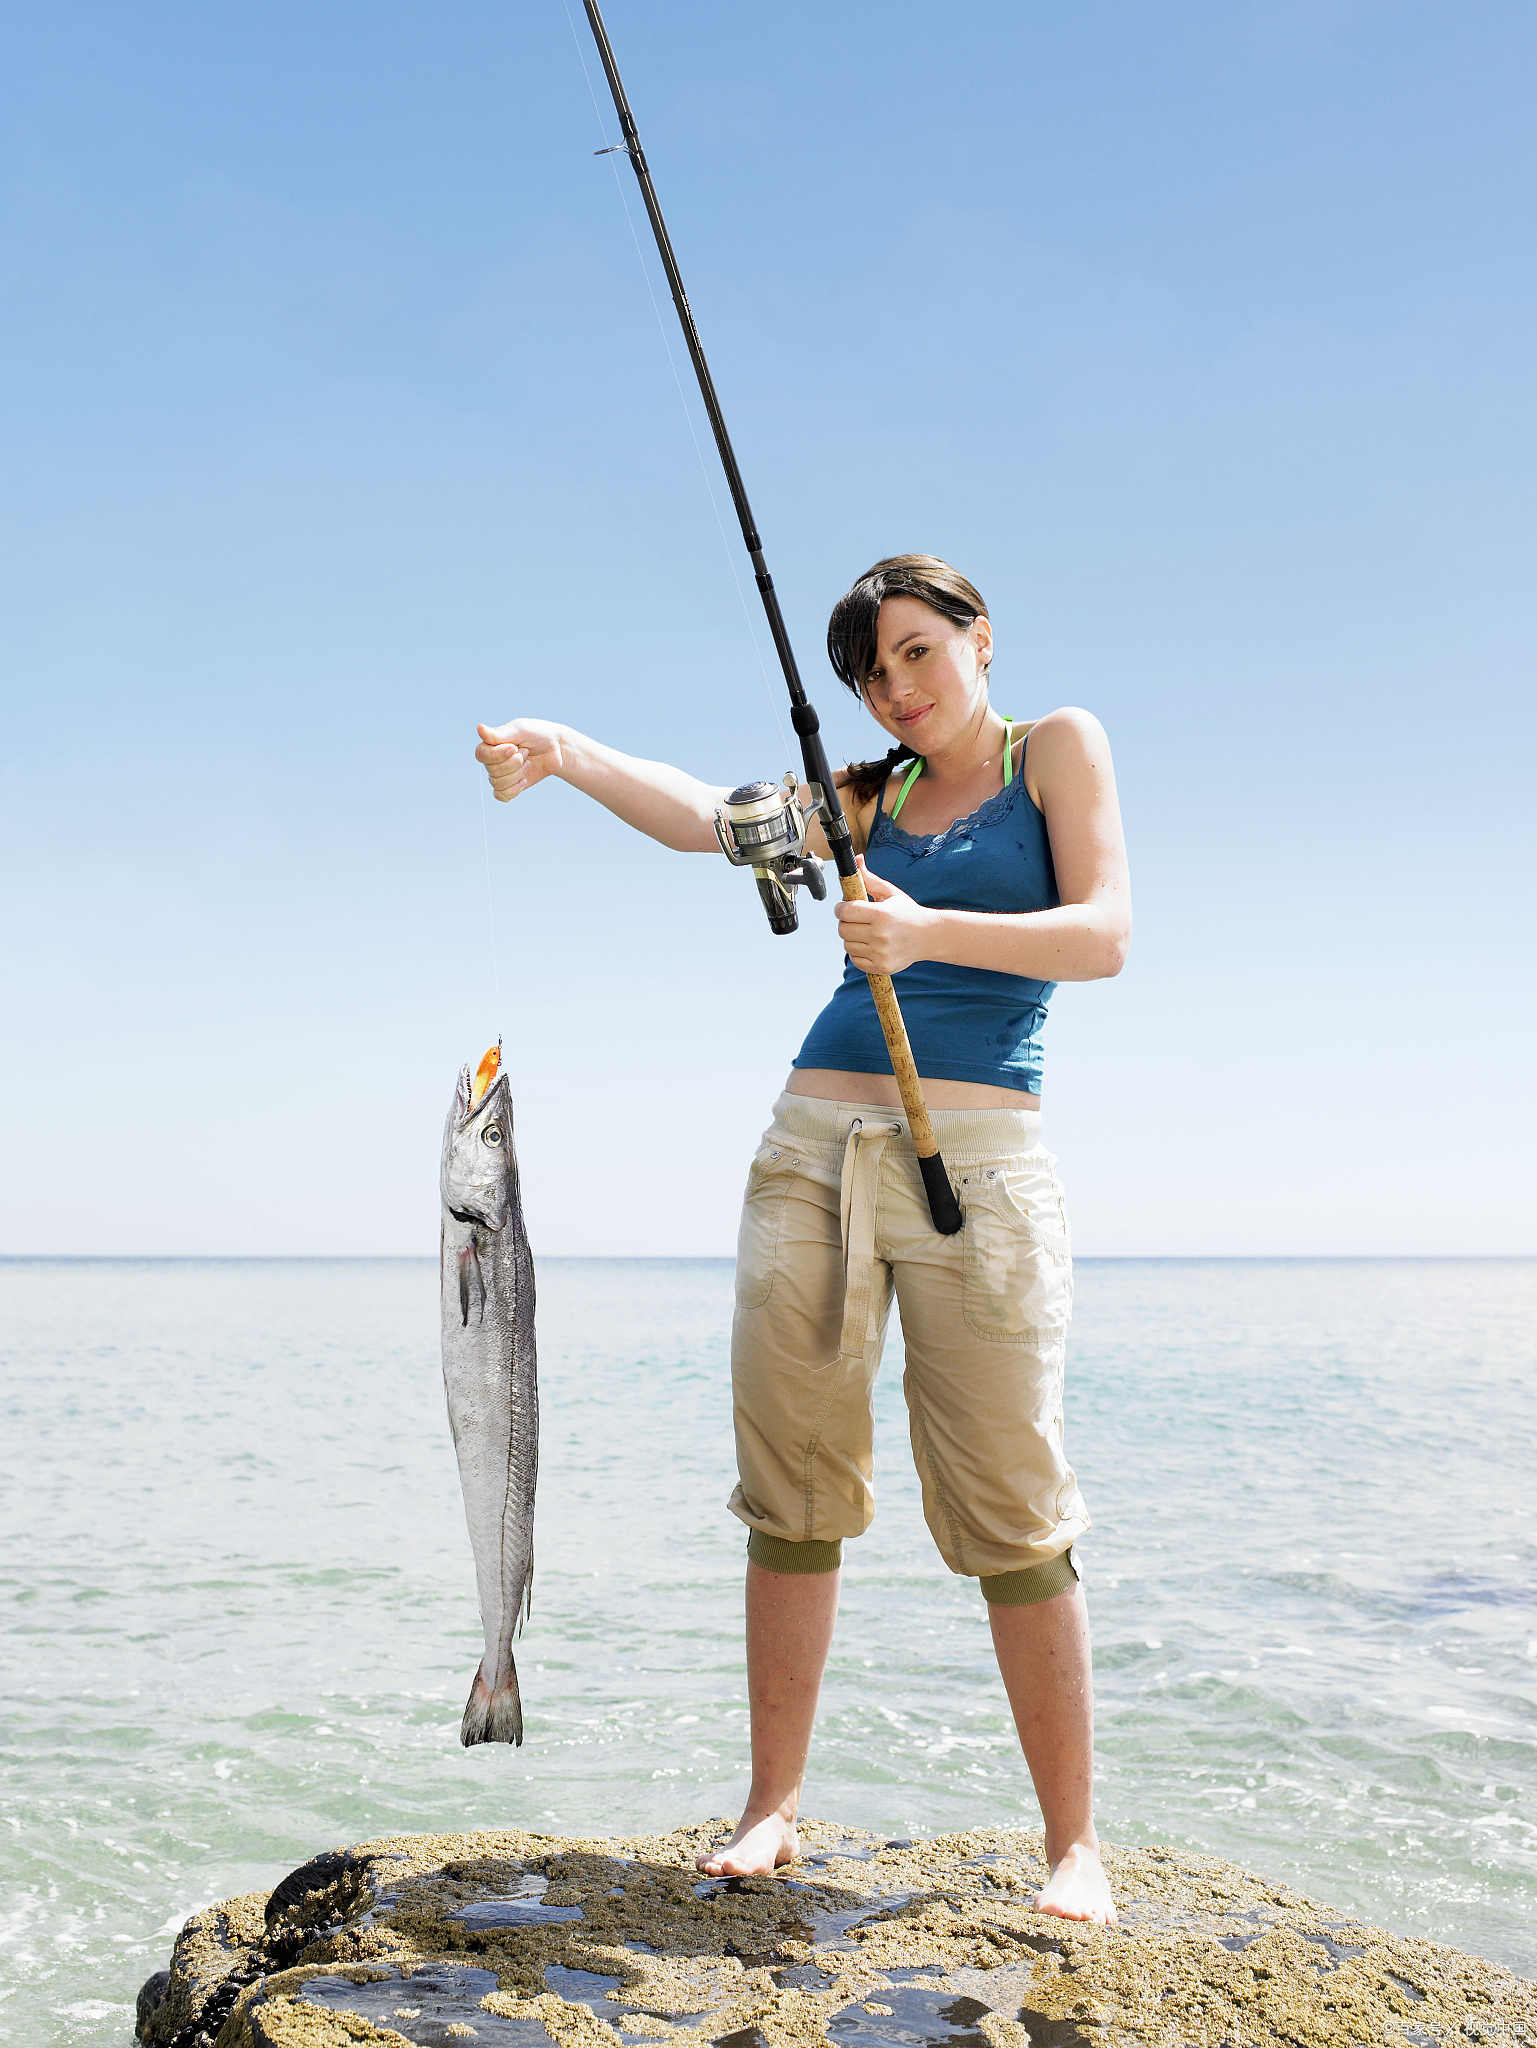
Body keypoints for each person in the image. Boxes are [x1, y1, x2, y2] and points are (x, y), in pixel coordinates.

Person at [476, 555, 1131, 1924]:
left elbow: (1103, 934)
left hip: (981, 1162)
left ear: (977, 639)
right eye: (870, 675)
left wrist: (926, 927)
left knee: (1014, 1504)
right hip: (809, 1152)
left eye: (914, 654)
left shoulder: (1052, 747)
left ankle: (1072, 1842)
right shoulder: (858, 797)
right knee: (792, 1488)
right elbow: (701, 822)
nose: (896, 690)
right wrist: (570, 751)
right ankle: (772, 1806)